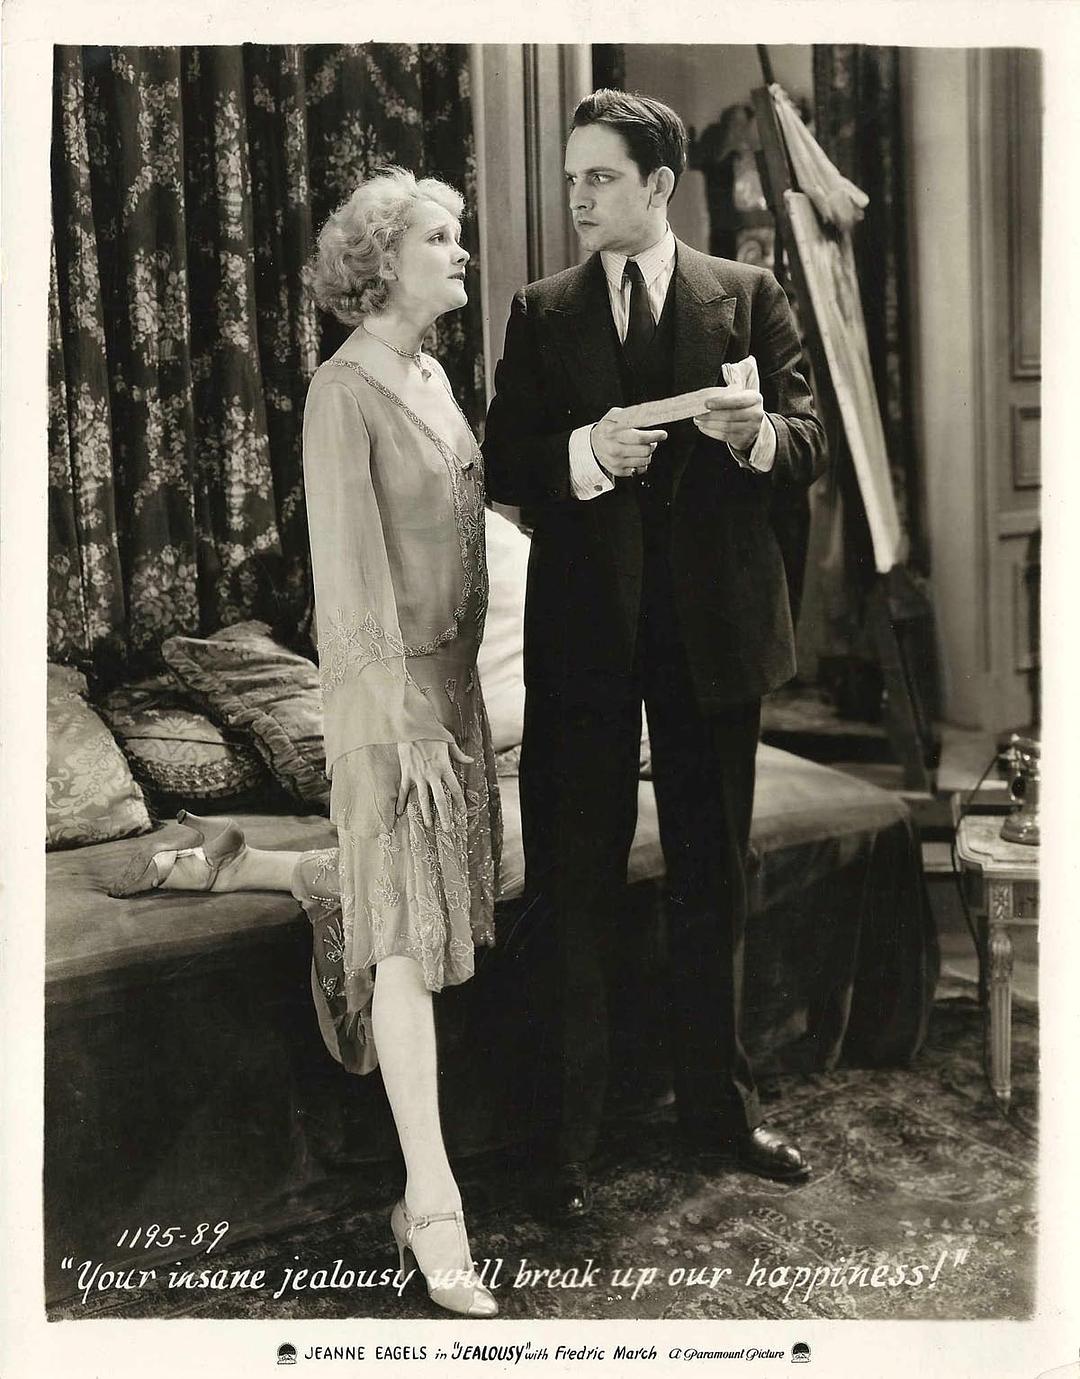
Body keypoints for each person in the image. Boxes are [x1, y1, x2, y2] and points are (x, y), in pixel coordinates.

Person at [110, 168, 501, 1319]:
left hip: (454, 693)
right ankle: (432, 1205)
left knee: (436, 895)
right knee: (409, 941)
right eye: (441, 237)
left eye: (460, 236)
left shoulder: (433, 373)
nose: (461, 253)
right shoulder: (344, 391)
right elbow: (349, 575)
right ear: (382, 265)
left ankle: (266, 865)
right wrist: (405, 716)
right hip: (391, 703)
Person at [482, 89, 827, 1220]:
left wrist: (759, 433)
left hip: (712, 633)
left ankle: (719, 1116)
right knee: (572, 885)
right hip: (585, 638)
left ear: (660, 186)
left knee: (712, 877)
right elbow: (504, 462)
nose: (577, 197)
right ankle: (560, 1150)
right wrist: (586, 452)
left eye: (599, 177)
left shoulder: (749, 294)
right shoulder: (543, 310)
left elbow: (809, 440)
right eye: (572, 177)